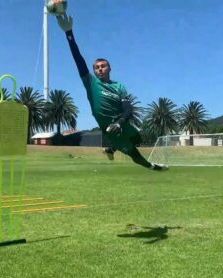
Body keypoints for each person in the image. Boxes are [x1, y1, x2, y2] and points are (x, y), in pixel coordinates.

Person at [56, 13, 168, 171]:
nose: (100, 69)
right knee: (135, 155)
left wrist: (119, 122)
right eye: (96, 67)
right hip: (109, 130)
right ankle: (152, 167)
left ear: (110, 68)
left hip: (121, 123)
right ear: (94, 71)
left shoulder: (119, 86)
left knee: (137, 137)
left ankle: (111, 149)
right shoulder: (90, 82)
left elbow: (128, 108)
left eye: (103, 66)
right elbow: (78, 59)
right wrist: (69, 33)